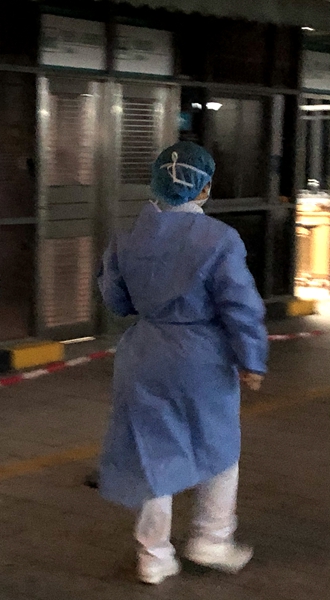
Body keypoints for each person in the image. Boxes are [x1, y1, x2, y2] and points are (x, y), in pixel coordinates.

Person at [97, 141, 268, 585]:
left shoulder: (128, 237)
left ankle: (153, 557)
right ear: (204, 188)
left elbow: (116, 300)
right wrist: (251, 358)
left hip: (144, 354)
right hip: (201, 358)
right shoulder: (219, 239)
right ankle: (212, 539)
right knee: (219, 448)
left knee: (152, 455)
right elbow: (239, 305)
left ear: (155, 184)